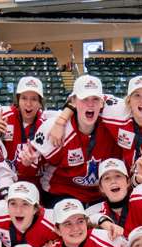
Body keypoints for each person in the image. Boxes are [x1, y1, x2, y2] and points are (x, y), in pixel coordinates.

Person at [25, 75, 119, 206]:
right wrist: (27, 162)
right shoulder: (54, 129)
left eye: (95, 99)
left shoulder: (112, 125)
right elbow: (31, 167)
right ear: (73, 101)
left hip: (100, 195)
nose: (90, 104)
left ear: (102, 102)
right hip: (62, 193)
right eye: (84, 99)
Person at [0, 76, 48, 185]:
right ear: (18, 100)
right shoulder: (2, 115)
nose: (28, 104)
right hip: (4, 180)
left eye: (34, 99)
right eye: (24, 98)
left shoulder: (46, 124)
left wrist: (29, 164)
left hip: (33, 182)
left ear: (40, 103)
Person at [0, 181, 58, 247]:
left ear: (35, 209)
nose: (18, 210)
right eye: (13, 203)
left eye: (25, 204)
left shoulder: (53, 223)